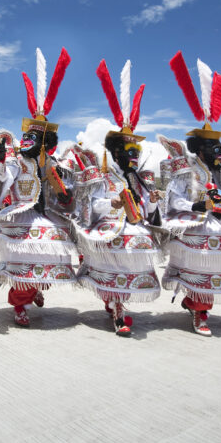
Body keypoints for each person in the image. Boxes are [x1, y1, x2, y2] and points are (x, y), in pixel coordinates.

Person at [157, 54, 221, 336]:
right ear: (200, 150)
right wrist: (199, 204)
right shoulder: (186, 173)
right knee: (201, 265)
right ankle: (200, 311)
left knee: (219, 265)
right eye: (215, 149)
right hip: (196, 225)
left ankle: (196, 304)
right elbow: (173, 201)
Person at [72, 59, 162, 337]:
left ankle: (117, 304)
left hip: (135, 228)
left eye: (136, 152)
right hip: (112, 229)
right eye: (129, 152)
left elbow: (146, 209)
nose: (133, 157)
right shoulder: (105, 175)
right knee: (115, 269)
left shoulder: (140, 178)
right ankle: (118, 309)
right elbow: (91, 204)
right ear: (118, 152)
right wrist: (113, 203)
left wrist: (155, 199)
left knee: (130, 268)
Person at [0, 48, 77, 327]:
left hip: (46, 214)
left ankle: (36, 287)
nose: (29, 141)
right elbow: (4, 177)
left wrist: (66, 195)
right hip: (23, 214)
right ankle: (19, 304)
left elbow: (62, 187)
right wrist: (1, 161)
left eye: (36, 137)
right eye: (28, 136)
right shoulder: (18, 161)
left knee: (49, 251)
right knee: (25, 254)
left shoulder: (53, 163)